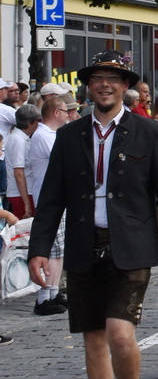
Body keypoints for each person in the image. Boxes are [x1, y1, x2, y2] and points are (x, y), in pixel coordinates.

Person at [27, 51, 158, 379]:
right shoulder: (69, 136)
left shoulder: (148, 132)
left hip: (131, 246)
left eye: (113, 79)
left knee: (120, 333)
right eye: (98, 78)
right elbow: (50, 200)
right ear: (88, 86)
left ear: (126, 87)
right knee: (93, 339)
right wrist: (38, 250)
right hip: (85, 245)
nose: (104, 85)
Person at [24, 91, 77, 316]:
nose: (68, 116)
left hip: (57, 197)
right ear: (56, 112)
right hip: (48, 199)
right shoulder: (44, 136)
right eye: (66, 112)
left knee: (59, 249)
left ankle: (53, 292)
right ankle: (44, 296)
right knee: (53, 249)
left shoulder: (50, 135)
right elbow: (69, 161)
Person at [6, 103, 40, 218]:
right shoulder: (18, 140)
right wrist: (26, 203)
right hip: (22, 194)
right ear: (30, 123)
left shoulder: (21, 138)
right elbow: (18, 173)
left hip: (24, 192)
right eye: (38, 121)